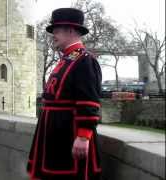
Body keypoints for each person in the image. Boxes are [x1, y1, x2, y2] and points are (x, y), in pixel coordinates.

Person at [27, 8, 102, 180]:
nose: (53, 34)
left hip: (69, 133)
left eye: (57, 30)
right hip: (54, 132)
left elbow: (89, 101)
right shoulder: (67, 58)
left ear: (70, 30)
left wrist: (83, 136)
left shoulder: (85, 60)